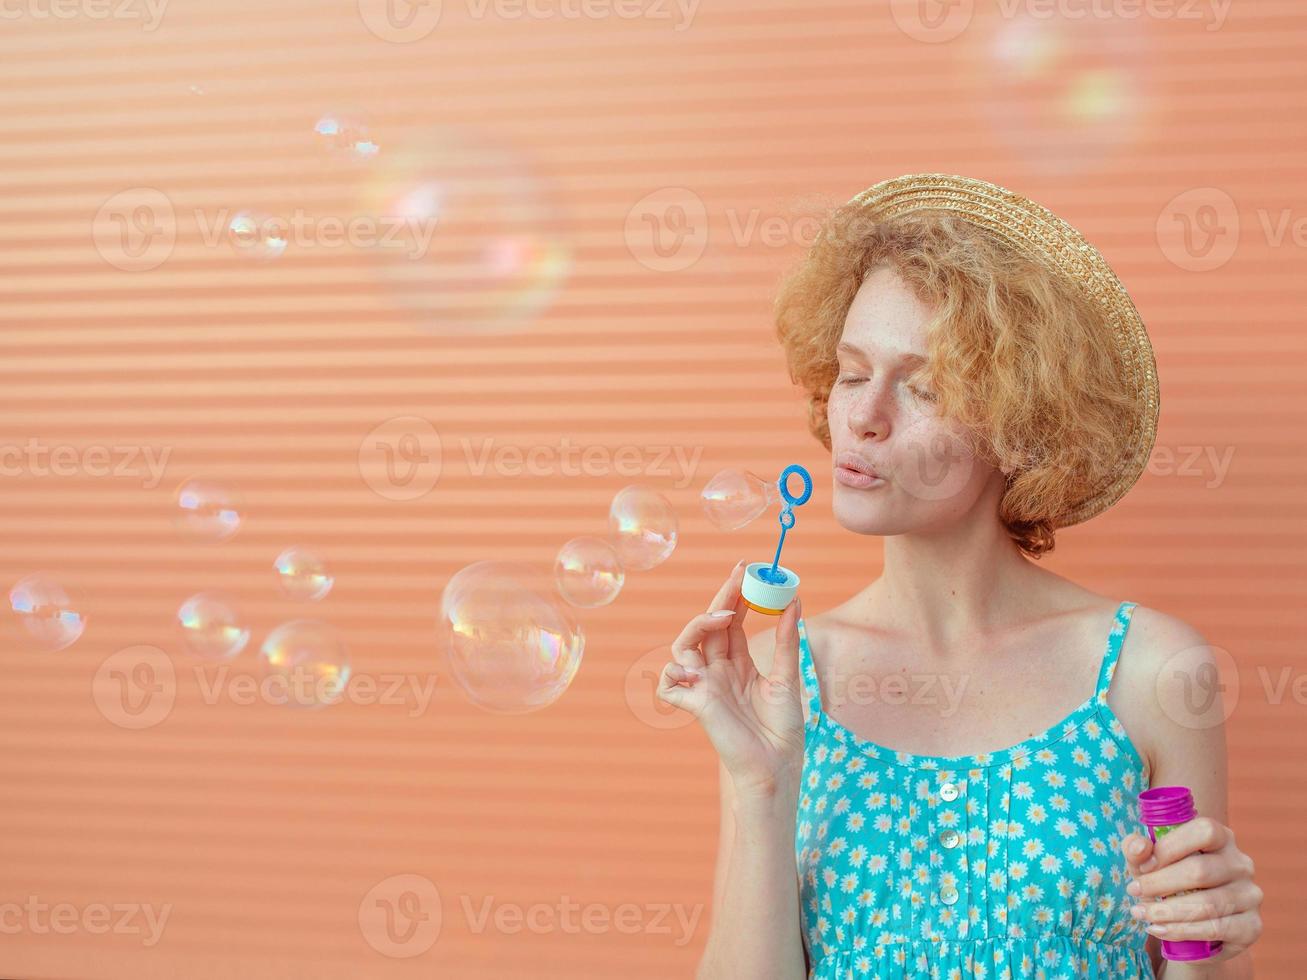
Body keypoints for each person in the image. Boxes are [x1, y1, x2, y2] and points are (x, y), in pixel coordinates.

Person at [657, 175, 1263, 978]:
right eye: (848, 372)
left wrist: (1213, 938)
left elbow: (1194, 962)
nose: (864, 415)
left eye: (925, 384)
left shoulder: (1152, 670)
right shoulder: (784, 680)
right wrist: (758, 786)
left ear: (1019, 427)